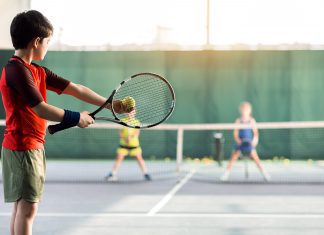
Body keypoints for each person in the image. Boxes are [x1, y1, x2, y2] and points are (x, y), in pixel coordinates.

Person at [0, 10, 128, 235]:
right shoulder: (16, 70)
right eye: (48, 41)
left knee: (22, 208)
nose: (48, 46)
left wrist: (111, 104)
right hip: (23, 147)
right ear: (37, 41)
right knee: (27, 210)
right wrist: (77, 118)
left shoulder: (35, 71)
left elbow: (76, 89)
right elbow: (41, 108)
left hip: (29, 147)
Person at [220, 102, 271, 182]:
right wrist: (238, 140)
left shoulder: (251, 120)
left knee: (255, 158)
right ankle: (226, 174)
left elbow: (256, 133)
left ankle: (264, 174)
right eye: (243, 110)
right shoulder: (238, 121)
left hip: (249, 143)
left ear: (249, 111)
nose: (244, 111)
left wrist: (254, 141)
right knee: (233, 157)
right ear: (241, 110)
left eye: (246, 110)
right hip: (240, 143)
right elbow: (235, 133)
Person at [105, 109, 151, 181]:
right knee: (119, 158)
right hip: (123, 144)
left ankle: (146, 173)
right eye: (128, 112)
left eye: (132, 112)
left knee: (139, 158)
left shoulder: (137, 122)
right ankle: (112, 173)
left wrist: (131, 138)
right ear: (125, 113)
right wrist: (125, 138)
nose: (130, 114)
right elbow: (120, 132)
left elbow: (137, 133)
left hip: (134, 145)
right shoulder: (122, 121)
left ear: (135, 113)